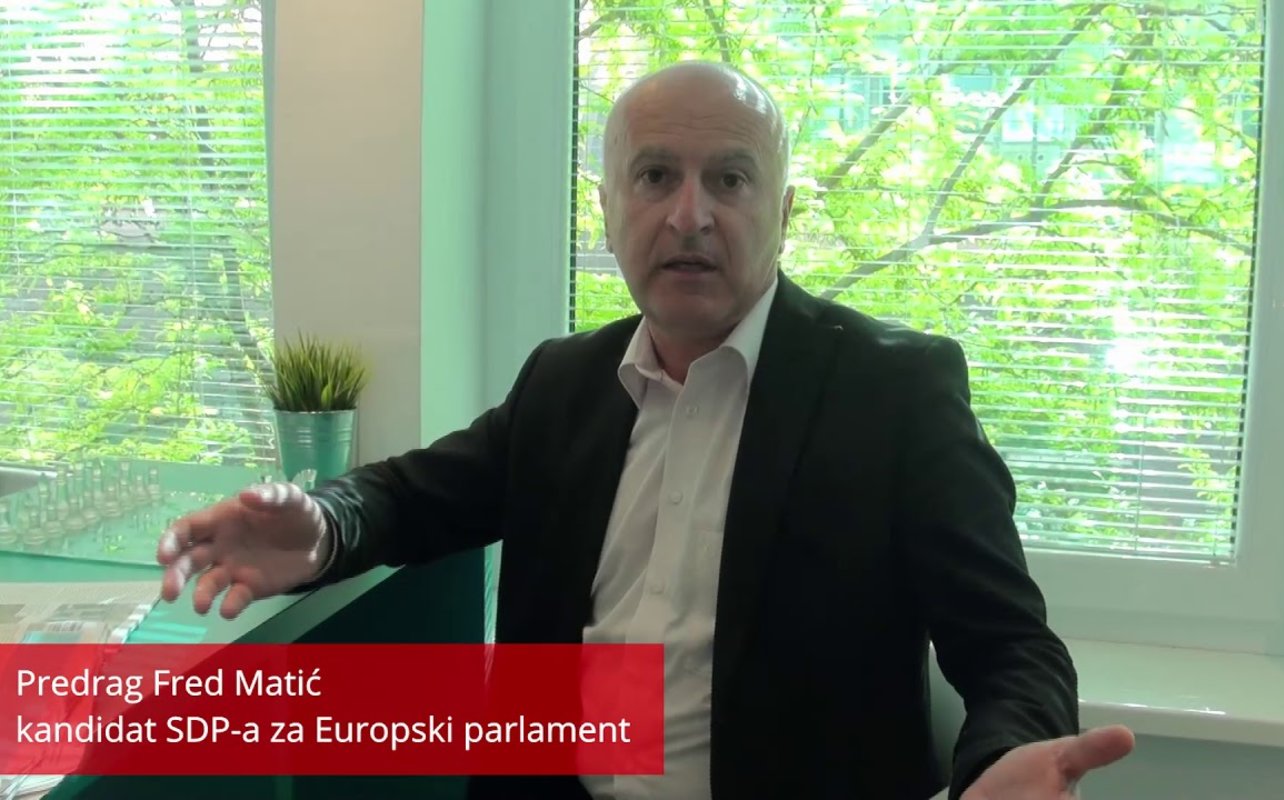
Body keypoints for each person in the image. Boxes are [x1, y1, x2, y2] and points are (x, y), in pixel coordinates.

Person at [158, 61, 1135, 799]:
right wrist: (325, 524)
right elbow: (413, 495)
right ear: (607, 207)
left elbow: (1012, 647)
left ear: (785, 212)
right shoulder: (564, 381)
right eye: (656, 175)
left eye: (731, 180)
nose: (689, 215)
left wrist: (1009, 756)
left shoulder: (893, 392)